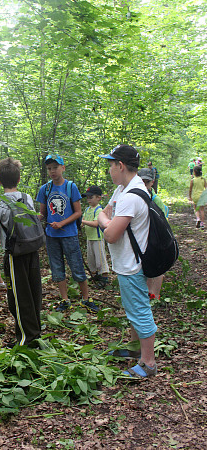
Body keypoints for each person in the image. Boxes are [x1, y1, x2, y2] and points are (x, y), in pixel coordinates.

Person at [97, 145, 157, 378]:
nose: (109, 170)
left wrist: (103, 220)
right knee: (133, 308)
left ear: (120, 166)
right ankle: (135, 350)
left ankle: (148, 362)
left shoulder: (131, 196)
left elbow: (111, 234)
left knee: (139, 310)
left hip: (132, 264)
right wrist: (106, 217)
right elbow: (107, 211)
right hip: (128, 260)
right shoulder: (125, 188)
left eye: (110, 165)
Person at [0, 157, 42, 346]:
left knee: (17, 296)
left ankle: (25, 340)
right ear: (19, 178)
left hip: (14, 255)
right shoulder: (27, 197)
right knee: (33, 292)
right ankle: (34, 333)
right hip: (32, 249)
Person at [36, 154, 98, 313]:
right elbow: (42, 214)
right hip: (51, 237)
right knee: (57, 269)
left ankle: (86, 299)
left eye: (55, 168)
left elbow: (78, 213)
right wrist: (31, 217)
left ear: (63, 168)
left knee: (77, 266)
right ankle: (65, 300)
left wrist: (62, 223)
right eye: (49, 168)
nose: (52, 171)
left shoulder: (71, 187)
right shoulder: (45, 189)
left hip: (69, 235)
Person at [138, 168, 168, 300]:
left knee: (156, 265)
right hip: (142, 237)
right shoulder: (136, 196)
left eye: (147, 181)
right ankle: (146, 293)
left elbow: (163, 219)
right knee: (145, 265)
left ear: (152, 182)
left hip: (155, 237)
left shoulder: (155, 199)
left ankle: (155, 294)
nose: (144, 184)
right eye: (142, 181)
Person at [81, 185, 109, 288]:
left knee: (100, 259)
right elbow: (83, 219)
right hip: (89, 238)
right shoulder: (87, 209)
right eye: (87, 197)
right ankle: (94, 275)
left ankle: (104, 278)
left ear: (98, 197)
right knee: (91, 258)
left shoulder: (99, 209)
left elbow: (96, 223)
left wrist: (82, 221)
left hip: (97, 238)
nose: (88, 199)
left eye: (91, 197)